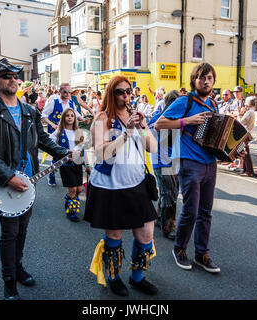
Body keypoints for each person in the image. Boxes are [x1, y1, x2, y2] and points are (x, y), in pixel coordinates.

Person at [0, 58, 70, 300]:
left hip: (29, 180)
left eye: (15, 75)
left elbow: (42, 139)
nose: (13, 79)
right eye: (6, 76)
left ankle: (18, 268)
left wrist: (63, 153)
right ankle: (9, 281)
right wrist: (8, 177)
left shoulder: (29, 110)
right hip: (4, 183)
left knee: (23, 228)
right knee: (9, 232)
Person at [85, 75, 159, 297]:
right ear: (111, 93)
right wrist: (126, 132)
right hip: (110, 187)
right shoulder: (102, 118)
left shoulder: (136, 117)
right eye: (120, 91)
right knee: (114, 237)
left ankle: (137, 278)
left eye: (129, 91)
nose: (126, 95)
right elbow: (102, 152)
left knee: (146, 237)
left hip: (136, 184)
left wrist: (143, 127)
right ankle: (113, 276)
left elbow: (153, 148)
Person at [155, 62, 222, 273]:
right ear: (194, 80)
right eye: (202, 77)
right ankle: (180, 249)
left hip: (210, 163)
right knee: (191, 211)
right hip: (190, 162)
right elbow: (160, 124)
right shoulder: (184, 101)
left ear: (213, 81)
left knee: (206, 212)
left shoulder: (213, 104)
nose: (206, 81)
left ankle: (202, 254)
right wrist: (188, 120)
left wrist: (229, 152)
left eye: (209, 77)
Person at [148, 90, 180, 240]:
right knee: (170, 194)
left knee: (167, 192)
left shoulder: (175, 119)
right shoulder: (160, 119)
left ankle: (160, 218)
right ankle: (169, 227)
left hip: (169, 162)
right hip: (163, 162)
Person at [50, 108, 89, 222]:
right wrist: (66, 151)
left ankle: (69, 198)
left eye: (72, 115)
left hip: (78, 164)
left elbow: (84, 149)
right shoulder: (58, 132)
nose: (70, 117)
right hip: (66, 164)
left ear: (75, 118)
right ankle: (71, 211)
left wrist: (87, 164)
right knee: (73, 189)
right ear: (63, 118)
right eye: (67, 115)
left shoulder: (79, 132)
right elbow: (50, 144)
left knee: (79, 189)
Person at [41, 83, 83, 186]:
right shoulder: (54, 103)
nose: (68, 94)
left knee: (69, 154)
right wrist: (52, 124)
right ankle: (51, 175)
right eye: (65, 92)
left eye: (70, 92)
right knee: (57, 158)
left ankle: (72, 179)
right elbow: (43, 116)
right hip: (57, 133)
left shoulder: (71, 103)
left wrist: (84, 119)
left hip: (69, 132)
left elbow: (76, 114)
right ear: (60, 91)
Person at [239, 96, 256, 177]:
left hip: (245, 133)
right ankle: (246, 170)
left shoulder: (250, 112)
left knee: (245, 153)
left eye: (246, 102)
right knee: (244, 152)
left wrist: (240, 114)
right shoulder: (250, 111)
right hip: (246, 133)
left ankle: (249, 171)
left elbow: (241, 122)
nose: (245, 103)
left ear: (249, 103)